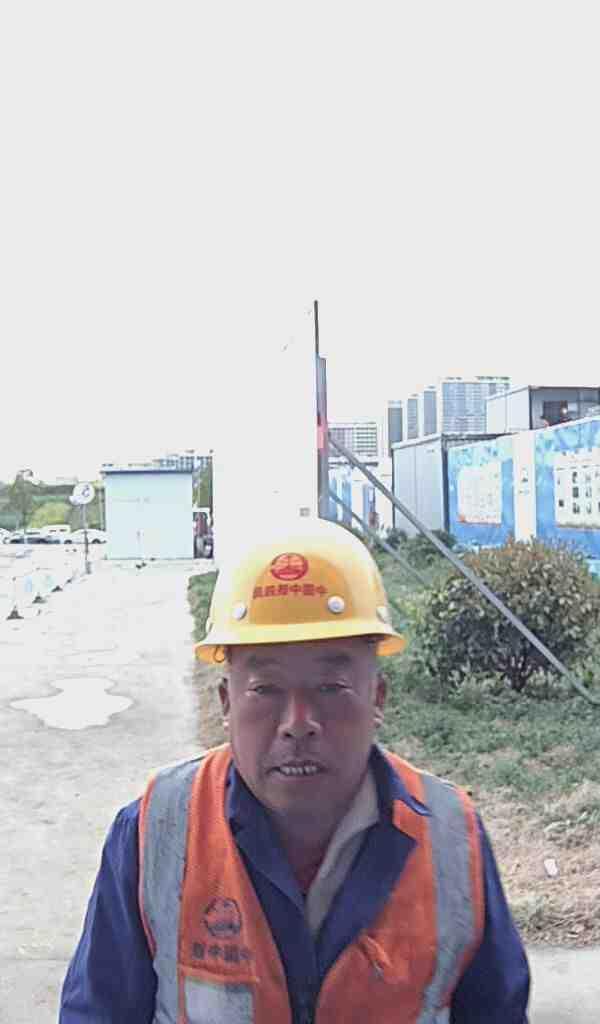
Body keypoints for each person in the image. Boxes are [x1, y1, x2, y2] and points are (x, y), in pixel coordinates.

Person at [59, 518, 530, 1023]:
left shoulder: (452, 837)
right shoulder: (156, 833)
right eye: (266, 689)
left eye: (331, 688)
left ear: (377, 698)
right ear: (226, 702)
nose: (298, 724)